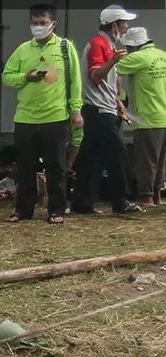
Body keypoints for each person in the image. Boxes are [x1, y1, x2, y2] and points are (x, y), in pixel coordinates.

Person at [2, 3, 83, 224]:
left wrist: (75, 111)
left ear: (53, 24)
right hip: (25, 118)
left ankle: (56, 210)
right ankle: (23, 210)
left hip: (56, 117)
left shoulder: (65, 48)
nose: (38, 27)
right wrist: (25, 77)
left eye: (43, 23)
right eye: (35, 23)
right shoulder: (22, 49)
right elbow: (7, 76)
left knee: (55, 166)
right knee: (25, 167)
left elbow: (75, 82)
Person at [71, 5, 140, 214]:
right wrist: (113, 61)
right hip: (99, 111)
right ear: (113, 26)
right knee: (118, 155)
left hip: (103, 108)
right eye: (124, 23)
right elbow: (95, 75)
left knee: (92, 158)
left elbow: (107, 82)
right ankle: (121, 201)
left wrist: (118, 102)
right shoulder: (99, 44)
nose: (127, 27)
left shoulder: (107, 44)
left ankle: (82, 203)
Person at [117, 27, 166, 207]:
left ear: (133, 46)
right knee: (161, 160)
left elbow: (111, 71)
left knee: (146, 160)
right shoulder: (162, 55)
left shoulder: (136, 58)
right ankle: (157, 195)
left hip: (148, 118)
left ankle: (146, 197)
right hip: (164, 116)